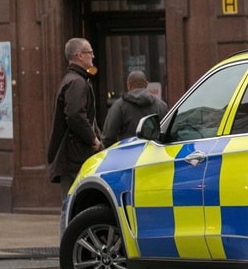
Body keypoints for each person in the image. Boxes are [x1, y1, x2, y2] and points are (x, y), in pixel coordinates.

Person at [47, 37, 103, 199]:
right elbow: (75, 115)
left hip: (73, 155)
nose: (93, 56)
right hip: (75, 157)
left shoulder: (73, 80)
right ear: (79, 55)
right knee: (73, 205)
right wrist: (93, 140)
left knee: (72, 203)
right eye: (90, 52)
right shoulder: (77, 82)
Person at [102, 70, 168, 147]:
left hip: (127, 153)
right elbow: (167, 134)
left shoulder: (119, 105)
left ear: (128, 85)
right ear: (146, 84)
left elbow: (108, 137)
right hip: (153, 154)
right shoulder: (161, 106)